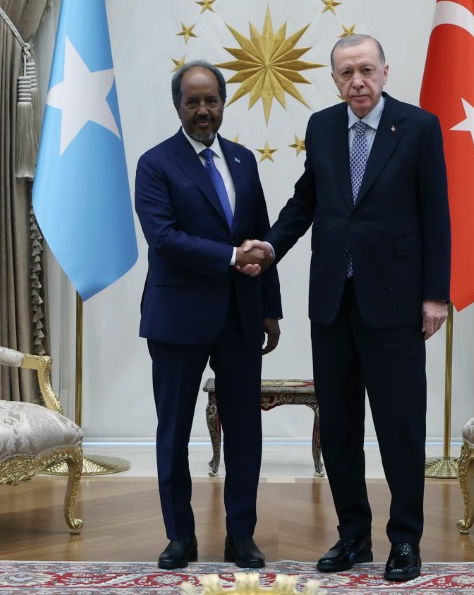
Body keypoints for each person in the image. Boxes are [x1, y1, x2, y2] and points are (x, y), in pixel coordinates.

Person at [240, 35, 449, 582]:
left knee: (400, 426)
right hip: (333, 302)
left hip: (395, 302)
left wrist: (435, 295)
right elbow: (306, 200)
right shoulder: (322, 127)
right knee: (337, 427)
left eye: (366, 70)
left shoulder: (419, 127)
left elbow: (437, 213)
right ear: (334, 80)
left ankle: (405, 540)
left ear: (384, 71)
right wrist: (270, 247)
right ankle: (353, 535)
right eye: (346, 73)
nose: (357, 81)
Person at [134, 61, 282, 570]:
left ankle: (241, 535)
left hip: (241, 316)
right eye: (192, 101)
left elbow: (261, 235)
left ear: (223, 102)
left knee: (244, 430)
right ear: (178, 105)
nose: (203, 110)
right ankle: (180, 536)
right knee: (174, 431)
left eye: (211, 100)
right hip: (177, 318)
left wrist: (269, 309)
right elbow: (164, 238)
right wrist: (230, 257)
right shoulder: (156, 163)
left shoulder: (242, 159)